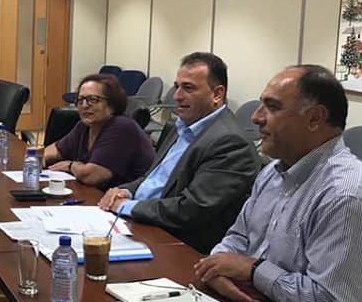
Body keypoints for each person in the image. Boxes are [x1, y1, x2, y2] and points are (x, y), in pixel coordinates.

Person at [194, 65, 362, 302]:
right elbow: (239, 237)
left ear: (315, 119)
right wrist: (217, 269)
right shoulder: (273, 172)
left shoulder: (347, 196)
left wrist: (254, 271)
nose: (256, 117)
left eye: (272, 107)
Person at [98, 52, 260, 253]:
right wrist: (125, 191)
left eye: (188, 88)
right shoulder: (181, 126)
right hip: (141, 223)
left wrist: (127, 206)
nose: (177, 96)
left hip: (177, 245)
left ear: (217, 94)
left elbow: (189, 210)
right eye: (177, 87)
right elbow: (151, 179)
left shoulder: (230, 142)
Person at [43, 74, 154, 188]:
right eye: (80, 100)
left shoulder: (122, 127)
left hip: (127, 196)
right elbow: (55, 150)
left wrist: (70, 166)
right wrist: (37, 159)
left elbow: (91, 176)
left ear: (111, 105)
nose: (84, 105)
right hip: (98, 193)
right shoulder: (84, 126)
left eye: (93, 100)